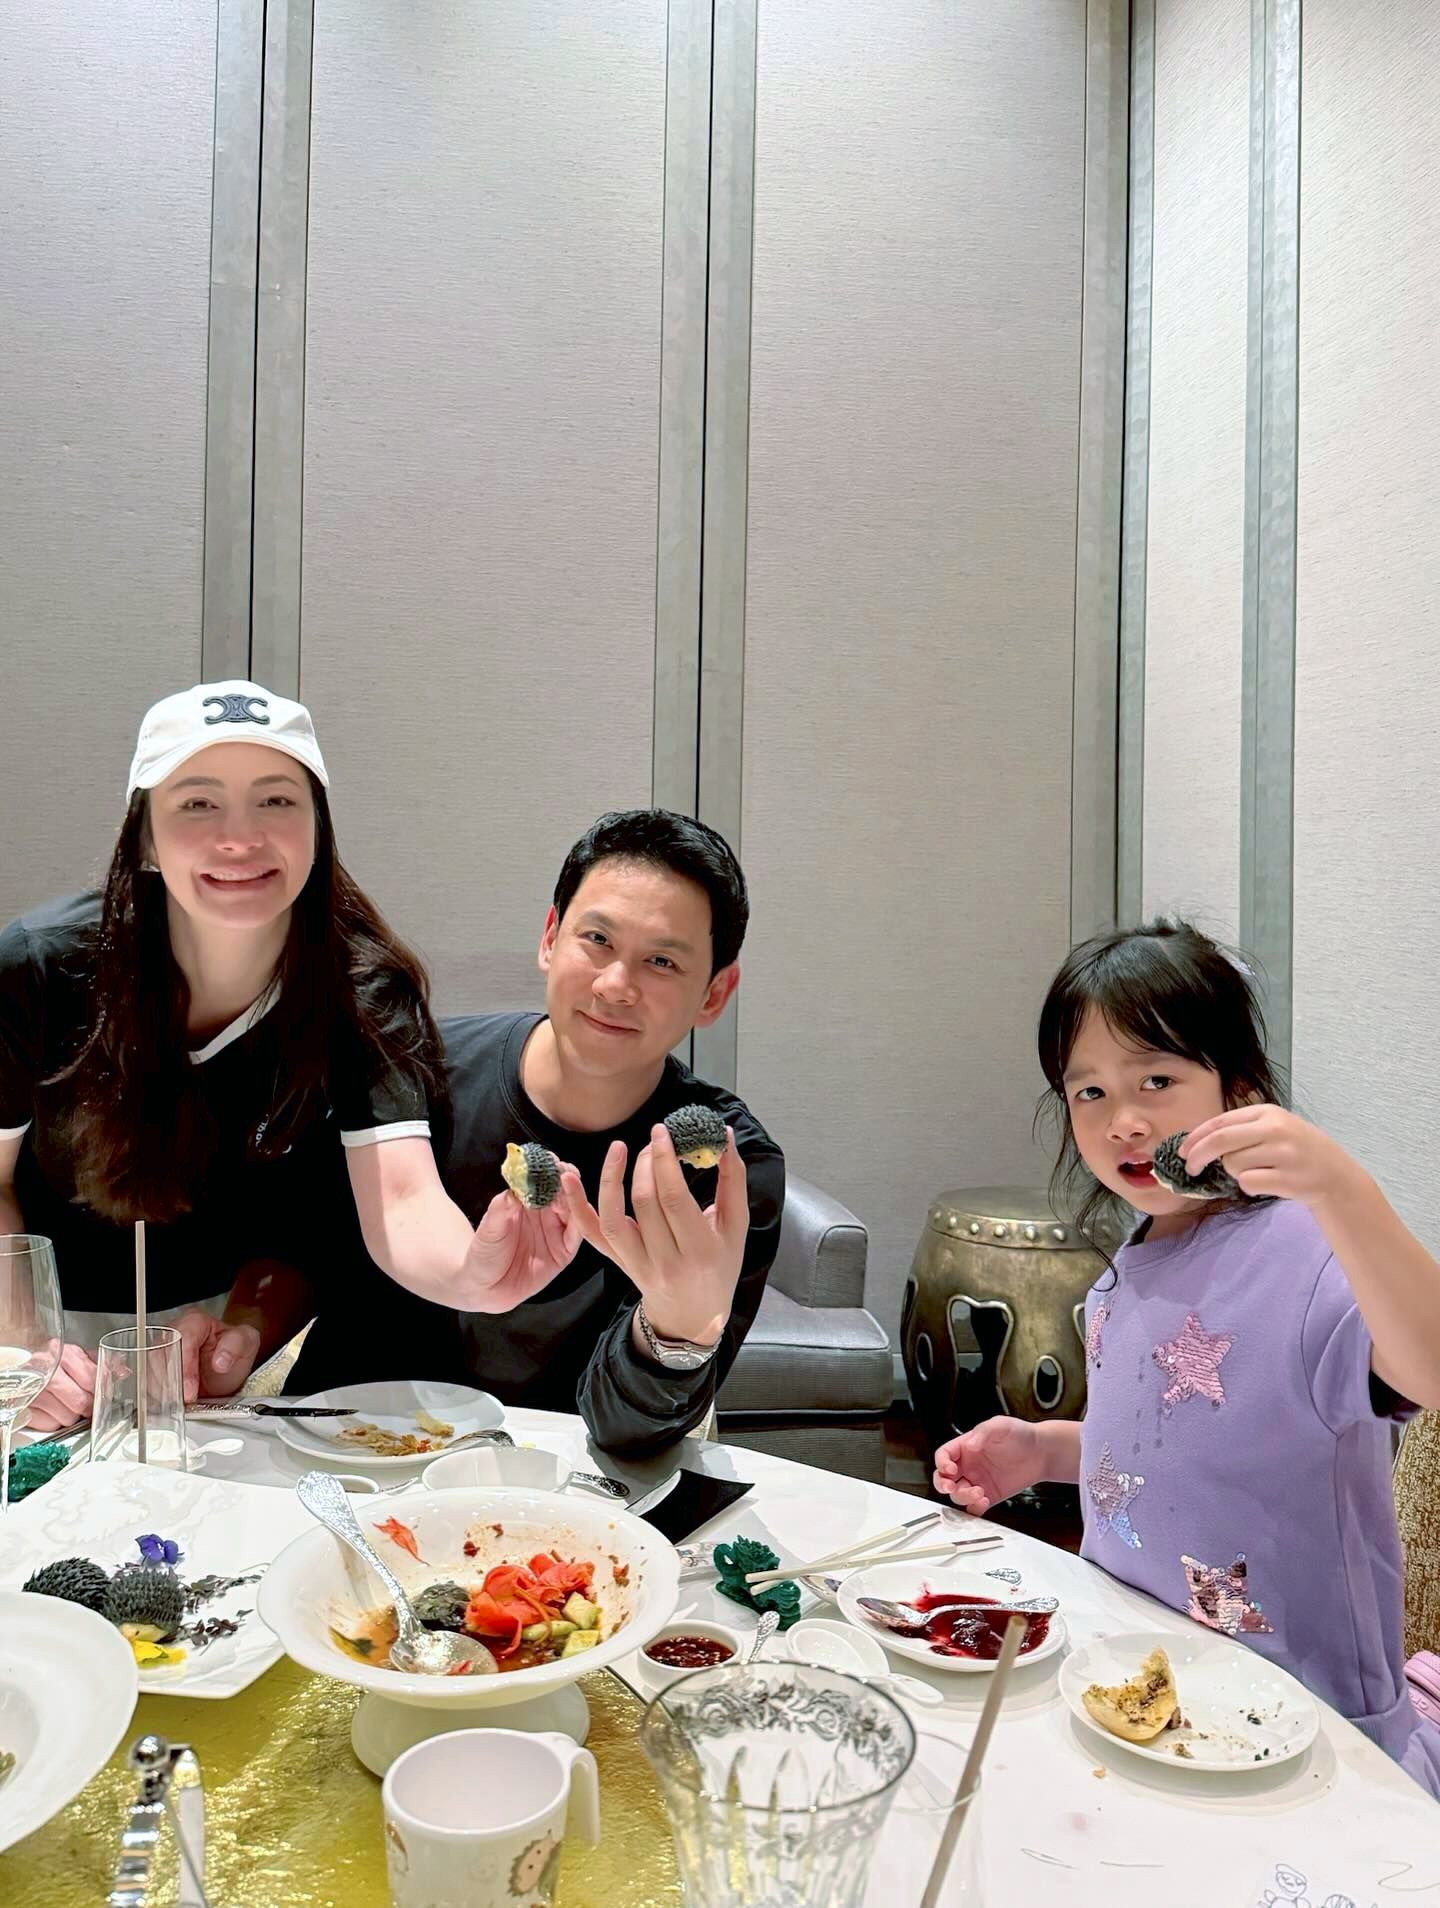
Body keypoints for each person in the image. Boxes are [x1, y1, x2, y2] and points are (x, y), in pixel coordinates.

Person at [932, 920, 1440, 1797]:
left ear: (1239, 1089)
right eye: (1089, 1092)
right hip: (1146, 1693)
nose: (1123, 1121)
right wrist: (1045, 1450)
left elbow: (1428, 1371)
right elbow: (1176, 1443)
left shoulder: (1307, 1249)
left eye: (1157, 1080)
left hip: (1312, 1735)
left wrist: (1343, 1189)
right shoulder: (1123, 1272)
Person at [5, 681, 584, 1433]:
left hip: (212, 1353)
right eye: (197, 803)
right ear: (143, 836)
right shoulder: (38, 969)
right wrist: (22, 1348)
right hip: (44, 1335)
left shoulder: (364, 991)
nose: (239, 838)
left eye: (276, 800)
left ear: (319, 827)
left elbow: (402, 1201)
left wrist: (475, 1277)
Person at [291, 809, 785, 1455]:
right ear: (551, 936)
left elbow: (628, 1435)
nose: (616, 985)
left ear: (714, 994)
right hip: (342, 1456)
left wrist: (674, 1333)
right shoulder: (410, 1072)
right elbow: (300, 1249)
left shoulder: (718, 1169)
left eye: (662, 961)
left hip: (551, 1488)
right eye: (597, 939)